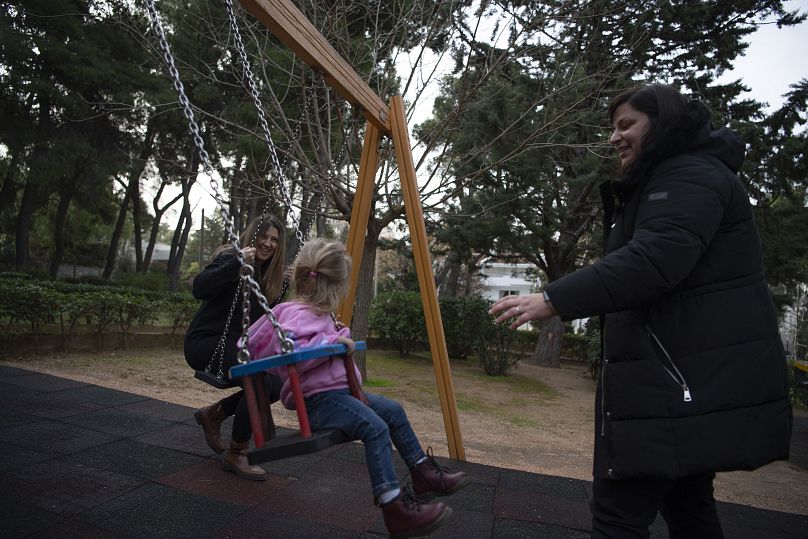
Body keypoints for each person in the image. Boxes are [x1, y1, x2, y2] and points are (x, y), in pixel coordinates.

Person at [489, 83, 792, 538]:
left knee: (618, 515)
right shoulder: (678, 178)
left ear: (663, 123)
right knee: (688, 505)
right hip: (679, 380)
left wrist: (550, 299)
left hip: (667, 384)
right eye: (613, 127)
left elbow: (651, 262)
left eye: (626, 125)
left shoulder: (686, 176)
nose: (614, 138)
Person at [247, 238, 469, 538]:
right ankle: (395, 509)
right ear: (332, 287)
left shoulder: (316, 313)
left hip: (340, 396)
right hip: (319, 403)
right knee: (375, 427)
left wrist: (335, 338)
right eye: (341, 288)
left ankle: (423, 473)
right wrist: (332, 344)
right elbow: (293, 355)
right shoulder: (296, 313)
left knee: (392, 410)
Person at [185, 214, 287, 481]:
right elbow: (199, 288)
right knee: (258, 380)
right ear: (252, 237)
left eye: (274, 239)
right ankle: (237, 452)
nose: (267, 244)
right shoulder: (231, 257)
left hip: (236, 348)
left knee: (275, 383)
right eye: (263, 237)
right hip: (207, 343)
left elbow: (265, 322)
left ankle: (214, 414)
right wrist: (237, 263)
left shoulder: (271, 278)